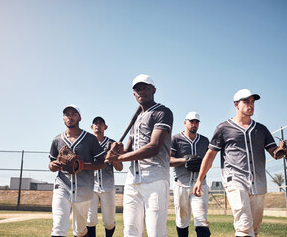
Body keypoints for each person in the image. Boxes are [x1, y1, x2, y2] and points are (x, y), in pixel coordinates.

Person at [193, 89, 285, 237]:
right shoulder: (224, 128)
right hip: (235, 180)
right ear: (236, 105)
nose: (251, 105)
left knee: (254, 229)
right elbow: (210, 155)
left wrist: (282, 151)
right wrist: (199, 179)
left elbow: (274, 152)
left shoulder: (261, 129)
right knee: (243, 226)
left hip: (258, 182)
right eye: (246, 102)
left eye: (252, 102)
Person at [105, 74, 173, 237]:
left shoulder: (163, 112)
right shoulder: (136, 119)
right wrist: (116, 151)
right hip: (132, 180)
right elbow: (128, 150)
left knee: (156, 232)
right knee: (131, 231)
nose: (141, 91)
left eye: (145, 87)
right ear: (133, 93)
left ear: (154, 90)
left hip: (155, 178)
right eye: (137, 89)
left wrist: (119, 158)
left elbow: (154, 147)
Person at [49, 105, 106, 237]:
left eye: (73, 114)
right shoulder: (57, 140)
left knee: (79, 231)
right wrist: (53, 165)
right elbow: (51, 163)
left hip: (83, 187)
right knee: (58, 227)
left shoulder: (90, 139)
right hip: (62, 186)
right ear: (63, 118)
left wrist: (82, 166)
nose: (70, 117)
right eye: (67, 114)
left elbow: (102, 163)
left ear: (79, 117)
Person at [170, 111, 211, 237]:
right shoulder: (176, 139)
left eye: (196, 122)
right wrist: (185, 160)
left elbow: (208, 160)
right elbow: (168, 161)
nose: (194, 124)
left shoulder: (204, 140)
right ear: (185, 122)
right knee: (182, 220)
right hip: (181, 184)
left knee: (201, 219)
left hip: (199, 184)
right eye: (191, 121)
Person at [86, 116, 123, 237]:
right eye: (95, 123)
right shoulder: (87, 144)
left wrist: (112, 158)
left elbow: (120, 167)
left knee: (109, 222)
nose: (98, 125)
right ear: (91, 127)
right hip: (91, 186)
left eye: (101, 123)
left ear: (105, 127)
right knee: (90, 220)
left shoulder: (112, 144)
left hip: (107, 186)